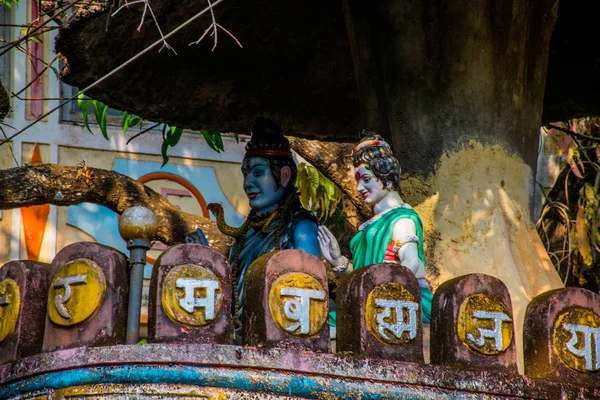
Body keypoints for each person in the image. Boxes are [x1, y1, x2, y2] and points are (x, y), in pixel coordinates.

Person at [187, 117, 320, 330]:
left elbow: (312, 288)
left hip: (282, 331)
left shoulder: (299, 226)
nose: (248, 183)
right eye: (245, 174)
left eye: (258, 173)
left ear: (284, 176)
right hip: (241, 332)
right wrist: (208, 261)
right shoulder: (246, 236)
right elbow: (230, 297)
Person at [318, 131, 433, 323]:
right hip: (371, 303)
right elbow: (362, 277)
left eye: (366, 179)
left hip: (397, 305)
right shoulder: (368, 228)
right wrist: (338, 261)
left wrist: (379, 288)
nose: (358, 188)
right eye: (357, 181)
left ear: (386, 178)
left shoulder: (402, 220)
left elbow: (411, 263)